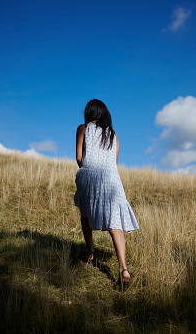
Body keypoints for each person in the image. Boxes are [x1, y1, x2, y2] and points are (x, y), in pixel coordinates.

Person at [74, 99, 139, 290]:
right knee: (115, 223)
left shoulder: (83, 129)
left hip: (89, 175)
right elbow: (114, 161)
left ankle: (90, 252)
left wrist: (87, 171)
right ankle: (124, 269)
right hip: (112, 180)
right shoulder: (113, 133)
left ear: (89, 113)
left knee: (85, 213)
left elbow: (79, 157)